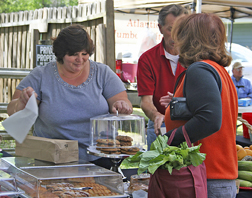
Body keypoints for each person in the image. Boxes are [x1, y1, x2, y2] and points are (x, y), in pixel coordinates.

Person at [7, 24, 133, 168]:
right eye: (73, 54)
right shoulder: (41, 75)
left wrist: (121, 105)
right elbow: (12, 112)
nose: (80, 59)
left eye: (84, 54)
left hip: (99, 158)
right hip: (51, 160)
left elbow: (122, 100)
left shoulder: (102, 73)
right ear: (61, 53)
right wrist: (22, 103)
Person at [163, 13, 238, 198]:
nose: (175, 41)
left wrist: (167, 140)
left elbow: (209, 120)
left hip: (204, 180)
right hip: (214, 179)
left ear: (188, 38)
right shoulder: (218, 71)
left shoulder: (200, 69)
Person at [137, 4, 188, 150]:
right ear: (160, 28)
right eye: (170, 29)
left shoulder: (196, 59)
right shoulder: (147, 59)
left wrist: (181, 103)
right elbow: (146, 102)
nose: (176, 35)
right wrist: (156, 116)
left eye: (181, 30)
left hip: (190, 123)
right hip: (160, 123)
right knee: (156, 170)